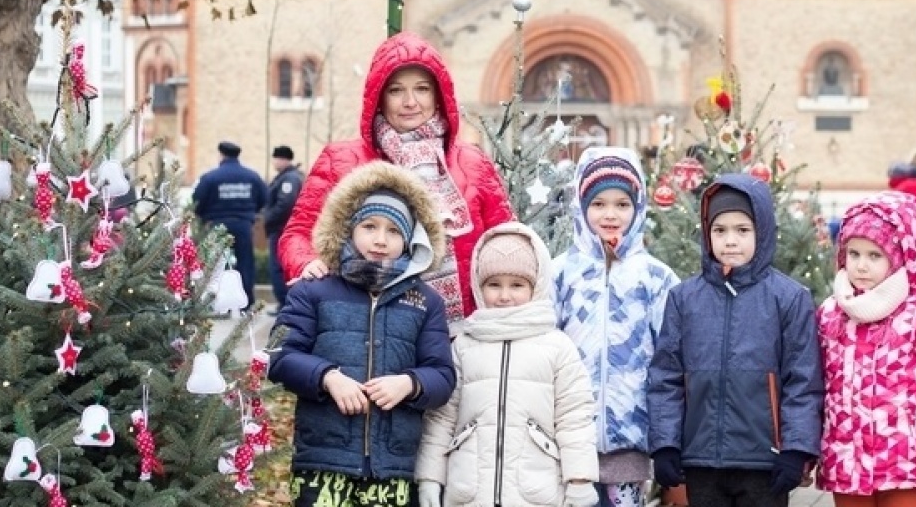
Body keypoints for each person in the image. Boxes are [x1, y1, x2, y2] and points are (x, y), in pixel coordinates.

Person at [278, 32, 514, 331]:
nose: (410, 102)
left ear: (438, 95)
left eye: (422, 89)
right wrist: (306, 263)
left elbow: (506, 243)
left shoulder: (473, 162)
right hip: (368, 330)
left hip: (464, 333)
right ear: (379, 97)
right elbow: (297, 234)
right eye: (396, 90)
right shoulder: (341, 159)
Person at [269, 162, 456, 507]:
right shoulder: (314, 290)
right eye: (370, 226)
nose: (380, 240)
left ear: (410, 238)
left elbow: (443, 375)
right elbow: (280, 356)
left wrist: (410, 383)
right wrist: (327, 378)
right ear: (349, 229)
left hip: (394, 468)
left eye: (393, 231)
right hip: (323, 463)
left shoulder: (425, 302)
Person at [648, 174, 824, 507]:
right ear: (707, 233)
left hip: (764, 461)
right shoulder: (684, 299)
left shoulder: (788, 299)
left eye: (742, 230)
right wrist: (666, 445)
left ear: (762, 232)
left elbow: (803, 381)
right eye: (720, 230)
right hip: (700, 460)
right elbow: (666, 378)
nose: (730, 241)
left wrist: (795, 450)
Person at [416, 222, 600, 507]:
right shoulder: (465, 344)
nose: (504, 296)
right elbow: (441, 418)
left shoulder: (556, 346)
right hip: (470, 490)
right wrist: (430, 477)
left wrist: (579, 480)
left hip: (535, 491)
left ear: (535, 285)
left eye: (516, 285)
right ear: (479, 286)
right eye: (494, 285)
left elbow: (574, 417)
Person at [817, 191, 916, 507]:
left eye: (875, 255)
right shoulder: (831, 313)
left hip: (907, 460)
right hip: (848, 460)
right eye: (854, 254)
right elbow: (813, 385)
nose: (861, 265)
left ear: (901, 255)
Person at [550, 148, 680, 507]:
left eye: (622, 204)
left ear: (637, 209)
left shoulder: (655, 278)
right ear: (581, 207)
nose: (610, 215)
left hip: (631, 439)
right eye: (599, 204)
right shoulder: (562, 272)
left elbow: (671, 358)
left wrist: (667, 435)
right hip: (570, 438)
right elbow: (544, 346)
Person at [192, 140, 267, 310]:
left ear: (221, 155)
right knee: (245, 262)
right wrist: (251, 213)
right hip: (243, 225)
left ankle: (215, 301)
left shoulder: (211, 177)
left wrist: (203, 217)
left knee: (215, 263)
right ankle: (246, 301)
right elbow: (264, 198)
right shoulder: (252, 176)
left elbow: (197, 201)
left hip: (217, 225)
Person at [262, 145, 304, 314]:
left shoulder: (289, 179)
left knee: (279, 267)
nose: (274, 161)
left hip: (281, 229)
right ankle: (284, 304)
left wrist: (269, 218)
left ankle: (284, 304)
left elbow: (285, 204)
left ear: (283, 159)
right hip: (283, 228)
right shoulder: (287, 177)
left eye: (276, 158)